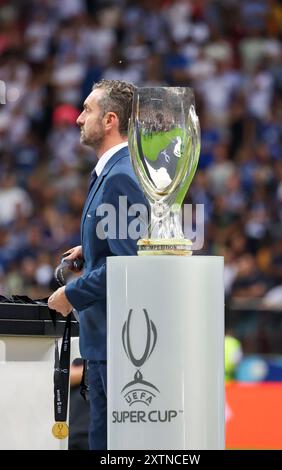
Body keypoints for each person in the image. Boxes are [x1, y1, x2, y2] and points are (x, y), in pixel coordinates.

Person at [48, 79, 148, 450]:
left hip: (115, 345)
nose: (78, 118)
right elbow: (118, 250)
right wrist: (87, 252)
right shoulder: (113, 171)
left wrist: (71, 294)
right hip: (104, 342)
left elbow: (130, 265)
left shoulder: (121, 176)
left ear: (109, 120)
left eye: (86, 110)